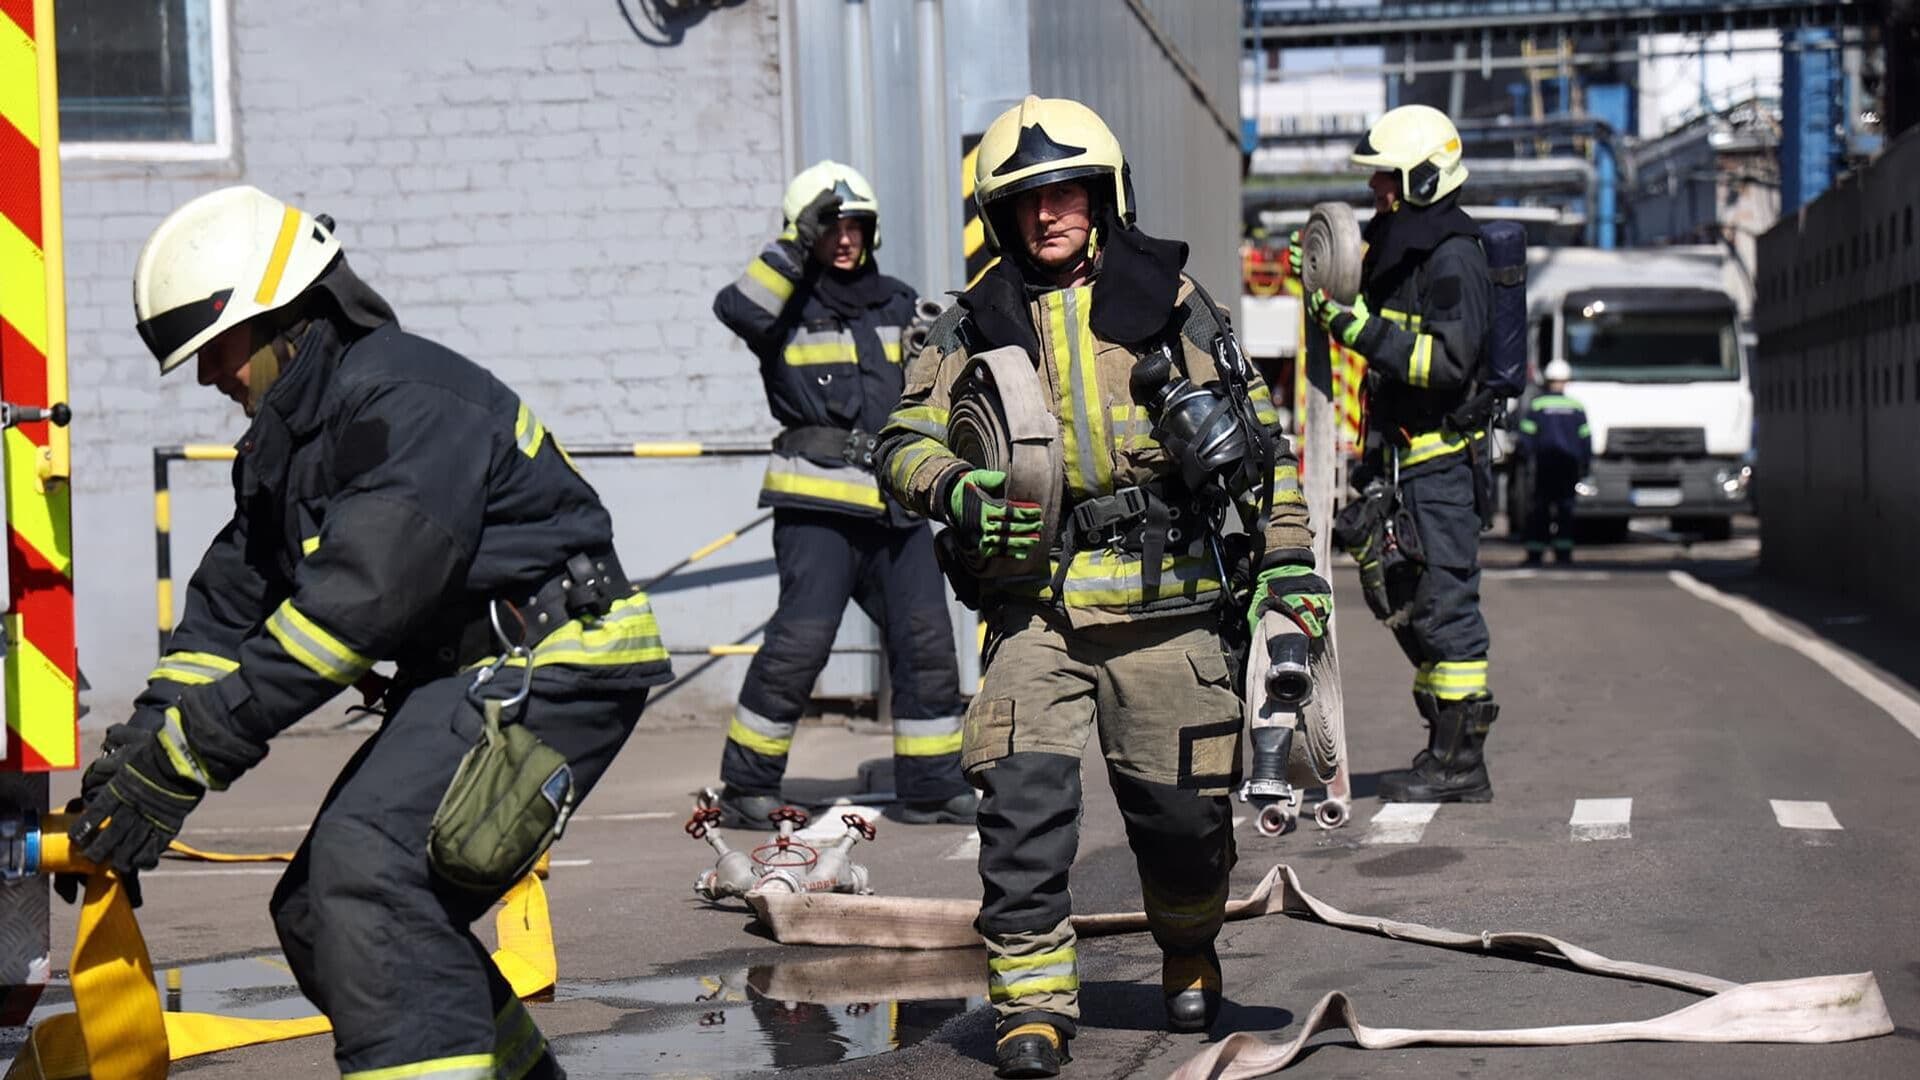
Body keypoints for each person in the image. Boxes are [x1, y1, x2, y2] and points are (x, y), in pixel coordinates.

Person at [73, 185, 673, 1080]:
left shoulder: (406, 399)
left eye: (215, 349)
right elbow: (225, 616)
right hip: (471, 674)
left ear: (284, 316)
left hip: (556, 661)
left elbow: (354, 610)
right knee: (320, 908)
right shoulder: (292, 444)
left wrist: (191, 755)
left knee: (370, 871)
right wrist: (145, 746)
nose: (207, 377)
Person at [877, 96, 1326, 1078]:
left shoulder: (1175, 303)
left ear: (1104, 195)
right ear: (1002, 217)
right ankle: (1033, 1006)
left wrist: (1290, 564)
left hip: (1171, 617)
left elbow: (1265, 456)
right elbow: (899, 440)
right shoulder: (972, 324)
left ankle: (1189, 943)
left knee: (1183, 827)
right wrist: (952, 486)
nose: (1049, 214)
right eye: (1028, 200)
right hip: (1034, 613)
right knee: (1022, 813)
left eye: (1066, 191)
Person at [710, 162, 973, 828]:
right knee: (801, 643)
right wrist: (795, 248)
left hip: (896, 503)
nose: (847, 238)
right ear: (805, 233)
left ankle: (932, 785)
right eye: (832, 226)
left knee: (926, 642)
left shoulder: (898, 301)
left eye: (857, 225)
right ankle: (746, 787)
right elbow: (736, 308)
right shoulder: (781, 307)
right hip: (818, 507)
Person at [1303, 104, 1499, 803]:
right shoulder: (1409, 252)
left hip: (1442, 467)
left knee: (1446, 609)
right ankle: (1442, 746)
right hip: (1406, 466)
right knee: (1407, 604)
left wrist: (1357, 329)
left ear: (1420, 177)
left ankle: (1460, 762)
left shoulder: (1453, 256)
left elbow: (1447, 363)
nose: (1376, 191)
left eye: (1386, 177)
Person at [1518, 359, 1591, 565]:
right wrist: (1586, 466)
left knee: (1540, 509)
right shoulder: (1576, 407)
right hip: (1569, 466)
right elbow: (1585, 439)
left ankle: (1535, 553)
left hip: (1544, 465)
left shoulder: (1538, 405)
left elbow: (1526, 438)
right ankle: (1564, 553)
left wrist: (1525, 459)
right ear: (1566, 381)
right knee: (1565, 509)